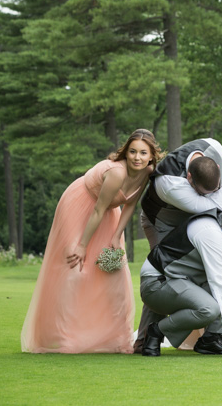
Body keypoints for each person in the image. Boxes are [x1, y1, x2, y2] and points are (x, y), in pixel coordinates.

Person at [21, 129, 162, 353]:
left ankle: (114, 338)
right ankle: (66, 337)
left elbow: (131, 204)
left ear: (151, 156)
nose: (137, 157)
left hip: (109, 212)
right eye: (132, 151)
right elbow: (97, 210)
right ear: (126, 152)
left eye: (143, 153)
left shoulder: (148, 172)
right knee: (75, 267)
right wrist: (82, 245)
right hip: (81, 205)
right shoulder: (116, 173)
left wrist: (116, 235)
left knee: (111, 270)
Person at [133, 137, 222, 352]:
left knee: (207, 271)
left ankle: (210, 337)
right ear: (189, 178)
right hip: (162, 221)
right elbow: (218, 203)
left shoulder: (214, 148)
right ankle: (145, 338)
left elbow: (215, 201)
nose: (212, 193)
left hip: (195, 219)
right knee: (163, 273)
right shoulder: (170, 183)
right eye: (204, 192)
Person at [139, 202, 222, 358]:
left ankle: (211, 338)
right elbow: (218, 282)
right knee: (209, 309)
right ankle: (156, 331)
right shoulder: (210, 231)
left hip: (187, 283)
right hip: (158, 283)